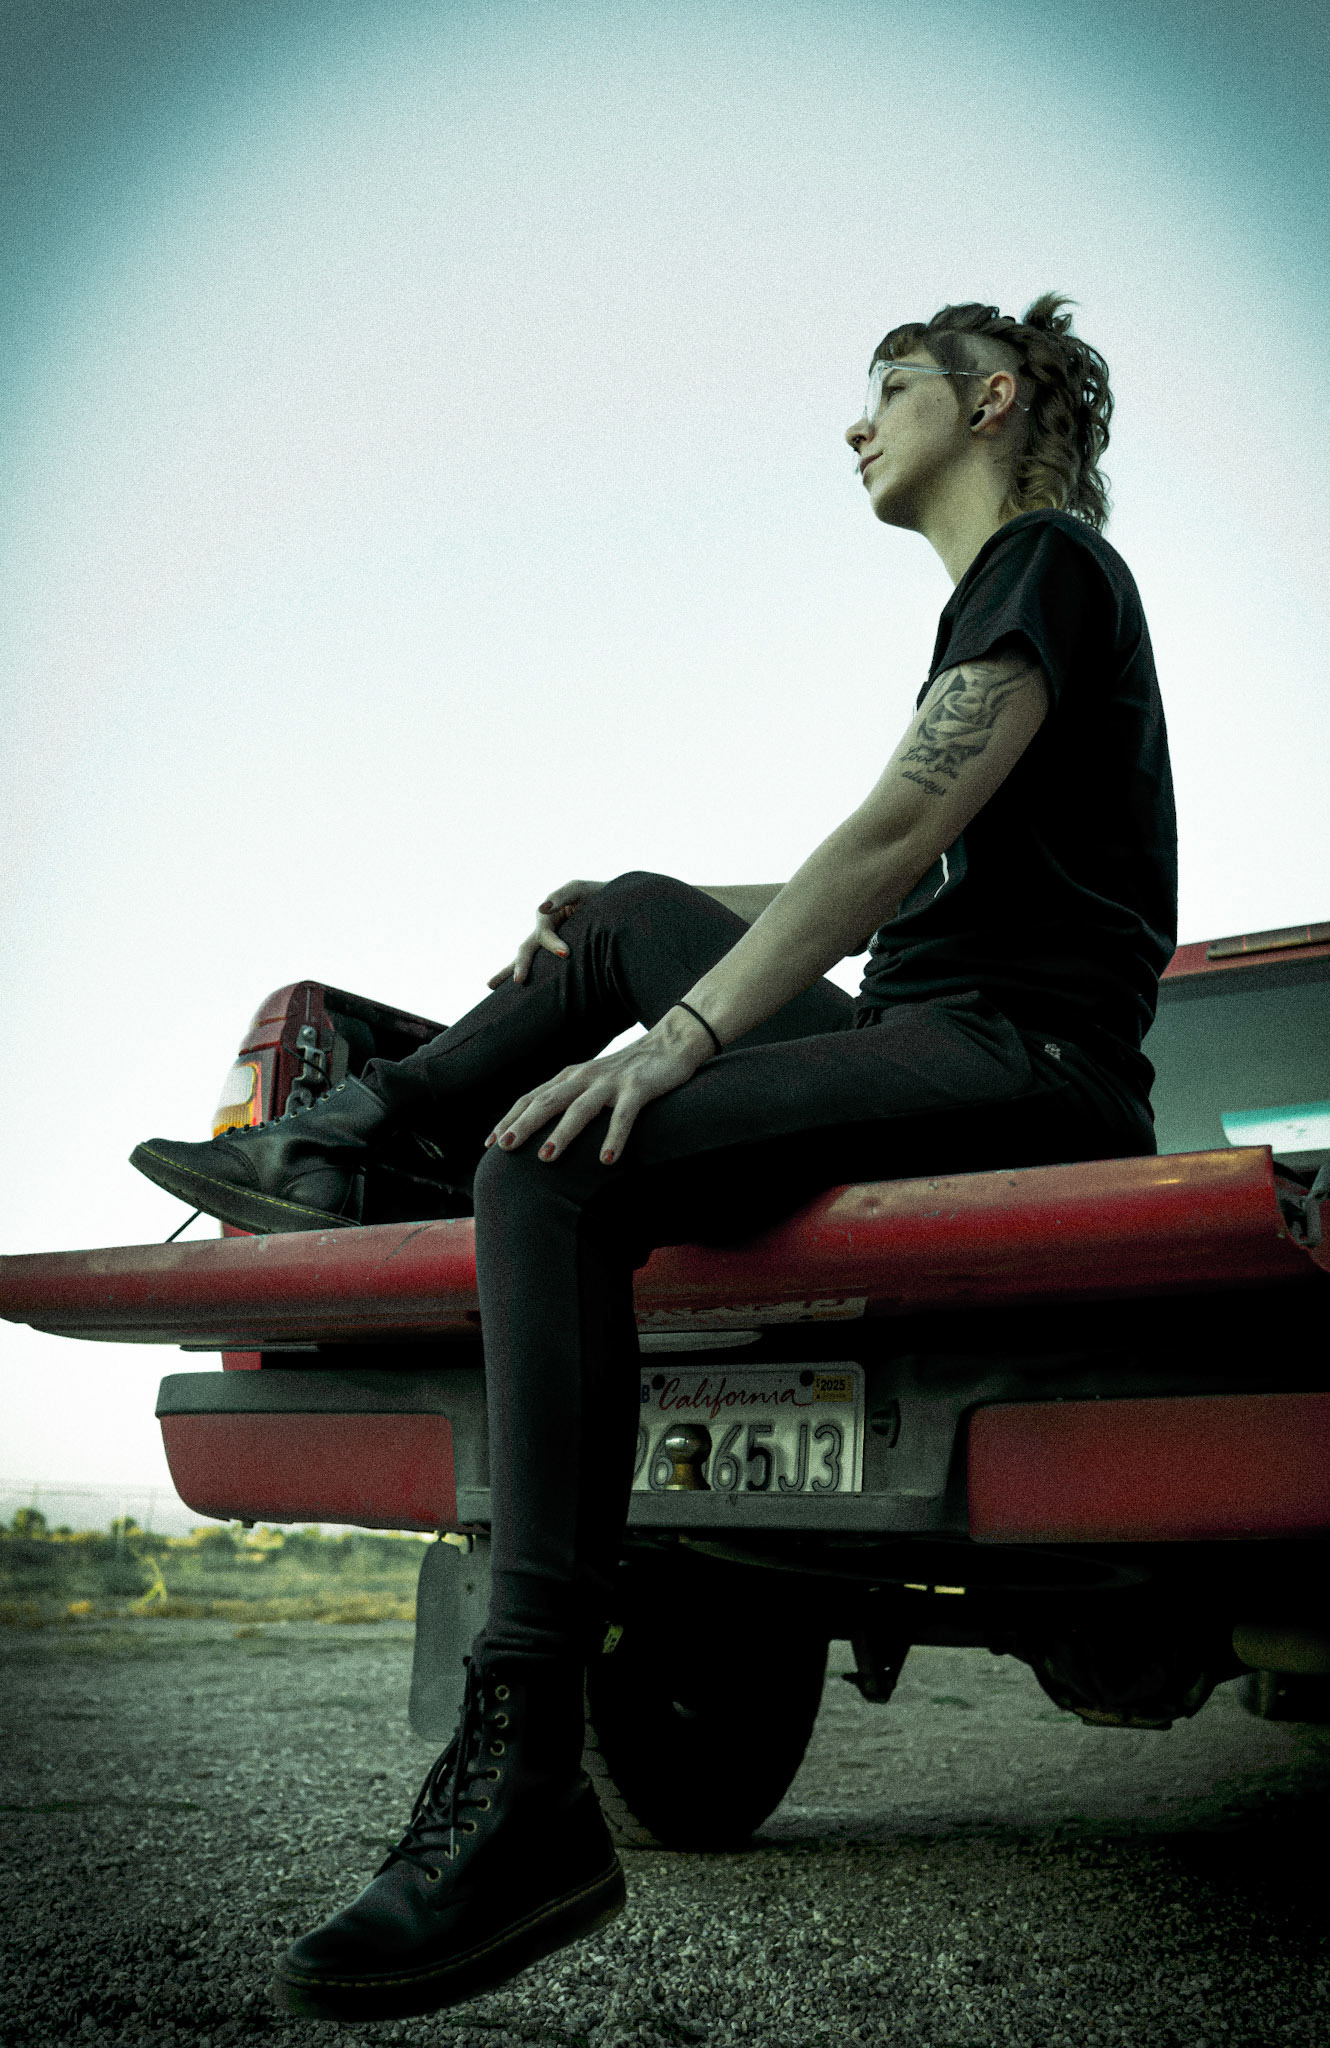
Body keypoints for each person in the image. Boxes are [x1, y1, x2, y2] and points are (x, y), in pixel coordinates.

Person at [131, 294, 1177, 2024]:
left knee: (549, 1170)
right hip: (935, 1032)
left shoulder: (1046, 564)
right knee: (617, 911)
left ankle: (527, 1776)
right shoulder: (1009, 617)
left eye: (889, 389)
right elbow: (900, 868)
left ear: (991, 399)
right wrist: (644, 936)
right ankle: (356, 1143)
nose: (855, 425)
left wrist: (678, 1038)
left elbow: (896, 828)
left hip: (1025, 1065)